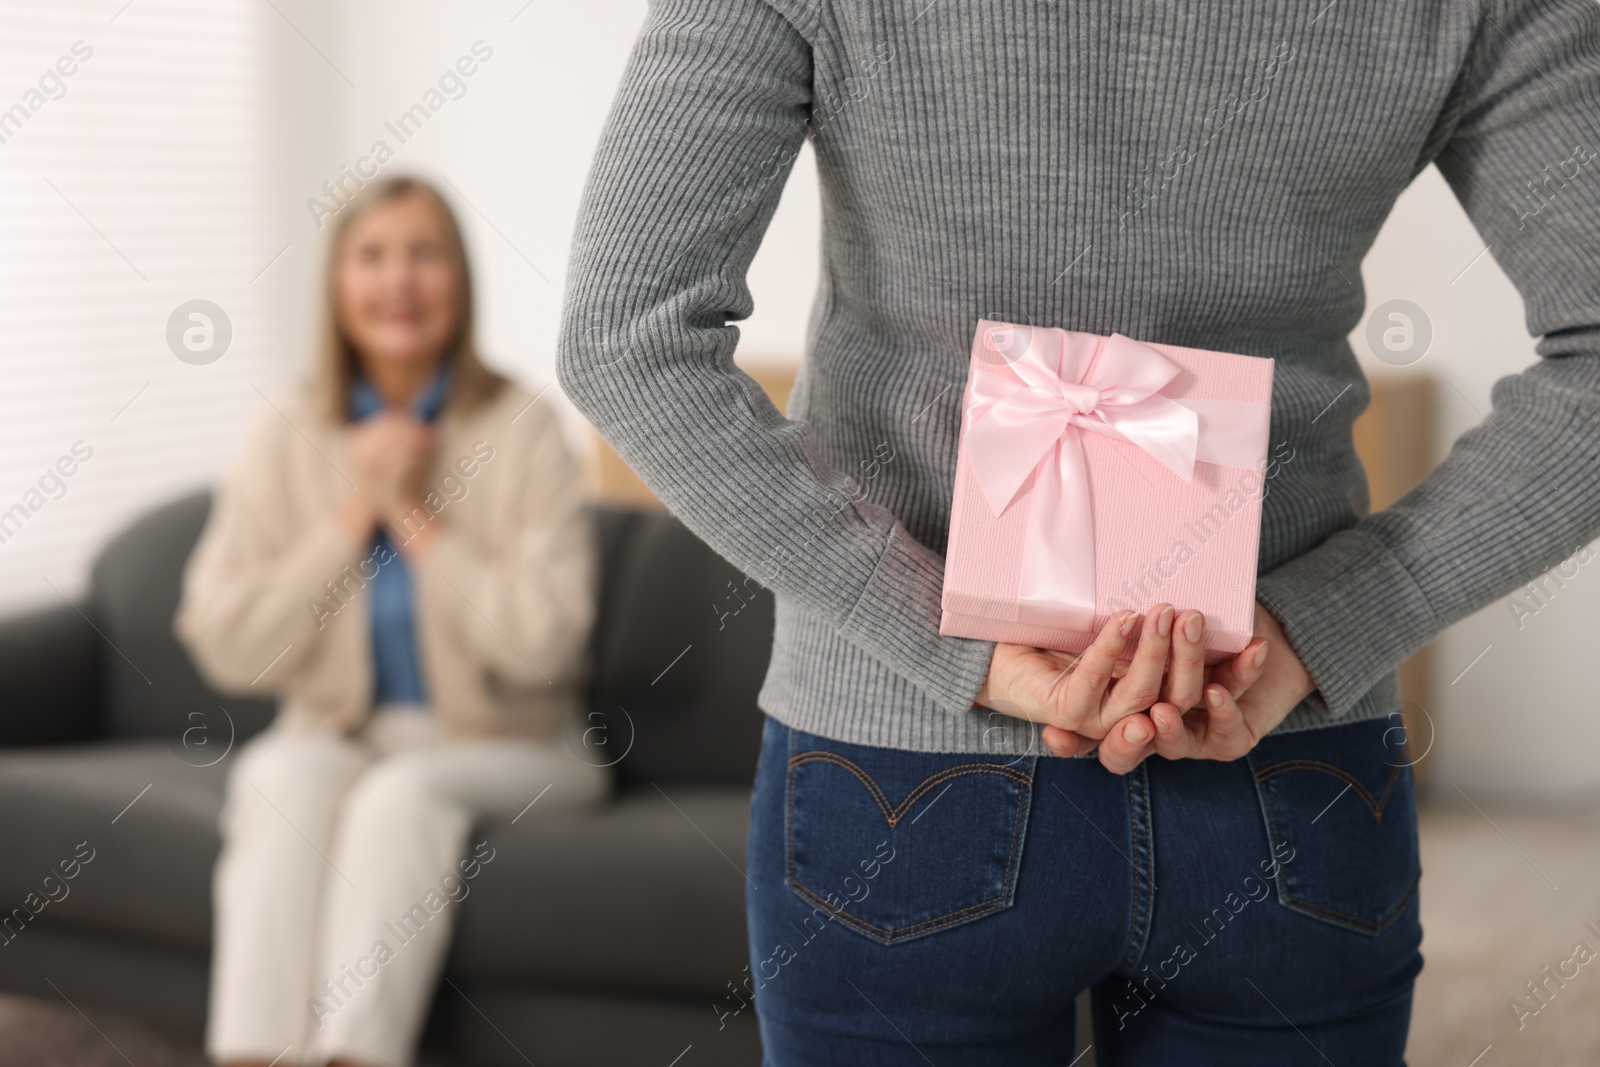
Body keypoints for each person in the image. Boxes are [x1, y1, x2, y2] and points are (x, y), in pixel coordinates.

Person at [556, 1, 1600, 1063]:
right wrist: (1320, 627)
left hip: (904, 772)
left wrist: (944, 639)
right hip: (1283, 758)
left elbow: (623, 338)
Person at [176, 176, 607, 1067]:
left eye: (425, 253)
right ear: (337, 284)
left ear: (461, 278)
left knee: (396, 799)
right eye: (371, 256)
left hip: (518, 742)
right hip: (341, 730)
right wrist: (351, 515)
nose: (398, 281)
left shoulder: (523, 426)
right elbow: (220, 632)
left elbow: (545, 638)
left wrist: (414, 518)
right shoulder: (288, 432)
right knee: (274, 778)